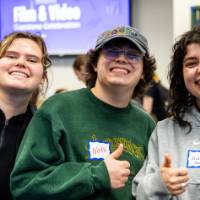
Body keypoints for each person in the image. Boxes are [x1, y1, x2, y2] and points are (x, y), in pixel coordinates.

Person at [10, 26, 156, 200]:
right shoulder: (58, 109)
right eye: (111, 52)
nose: (121, 59)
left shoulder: (147, 125)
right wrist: (95, 176)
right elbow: (24, 183)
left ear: (143, 72)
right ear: (95, 63)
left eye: (132, 55)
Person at [132, 26, 200, 200]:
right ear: (181, 74)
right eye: (191, 63)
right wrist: (159, 183)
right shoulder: (165, 131)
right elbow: (139, 195)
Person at [0, 31, 51, 200]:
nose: (21, 63)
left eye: (32, 60)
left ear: (42, 76)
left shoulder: (47, 129)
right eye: (11, 56)